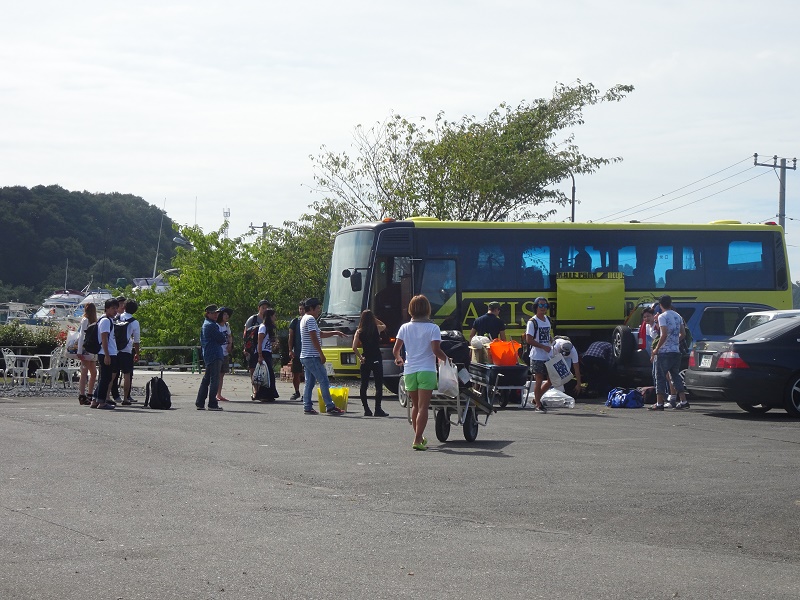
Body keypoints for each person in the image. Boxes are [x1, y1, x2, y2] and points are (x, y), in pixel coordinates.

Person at [393, 295, 449, 451]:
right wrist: (447, 360)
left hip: (409, 370)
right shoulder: (433, 328)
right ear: (427, 309)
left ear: (411, 309)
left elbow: (396, 350)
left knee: (415, 406)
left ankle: (419, 436)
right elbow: (436, 350)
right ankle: (417, 439)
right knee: (424, 407)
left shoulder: (404, 327)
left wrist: (398, 358)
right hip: (427, 370)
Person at [299, 298, 346, 415]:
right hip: (312, 355)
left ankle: (307, 406)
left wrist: (335, 332)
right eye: (318, 308)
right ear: (311, 308)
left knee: (309, 382)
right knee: (324, 380)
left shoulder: (305, 319)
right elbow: (314, 337)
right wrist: (321, 353)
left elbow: (320, 334)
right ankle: (330, 406)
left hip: (306, 355)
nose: (319, 311)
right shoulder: (310, 319)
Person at [649, 295, 690, 411]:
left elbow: (663, 334)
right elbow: (683, 334)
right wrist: (674, 341)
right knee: (675, 376)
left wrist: (656, 348)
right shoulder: (677, 316)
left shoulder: (662, 316)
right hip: (676, 351)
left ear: (660, 305)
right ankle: (683, 401)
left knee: (660, 377)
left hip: (664, 352)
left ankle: (659, 403)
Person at [352, 309, 388, 417]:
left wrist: (360, 357)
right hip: (376, 358)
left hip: (366, 358)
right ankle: (378, 409)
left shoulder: (359, 331)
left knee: (364, 385)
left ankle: (366, 409)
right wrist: (374, 319)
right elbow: (384, 325)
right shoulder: (377, 328)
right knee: (378, 384)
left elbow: (354, 347)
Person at [196, 304, 226, 411]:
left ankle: (200, 402)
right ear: (207, 313)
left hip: (209, 354)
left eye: (216, 313)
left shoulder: (207, 324)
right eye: (213, 313)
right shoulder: (211, 325)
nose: (215, 315)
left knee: (206, 379)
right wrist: (223, 336)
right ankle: (212, 403)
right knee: (214, 380)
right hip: (215, 354)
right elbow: (221, 339)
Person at [524, 296, 551, 412]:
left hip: (548, 355)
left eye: (545, 305)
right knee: (539, 379)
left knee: (551, 379)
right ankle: (538, 405)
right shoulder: (532, 322)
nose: (543, 308)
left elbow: (547, 334)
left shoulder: (547, 319)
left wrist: (551, 341)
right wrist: (543, 346)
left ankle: (536, 399)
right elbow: (529, 340)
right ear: (536, 307)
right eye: (540, 305)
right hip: (537, 355)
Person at [93, 298, 119, 409]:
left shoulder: (105, 320)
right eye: (113, 308)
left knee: (105, 378)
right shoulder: (106, 321)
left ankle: (95, 400)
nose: (115, 311)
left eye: (116, 308)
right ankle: (101, 402)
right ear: (106, 309)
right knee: (106, 378)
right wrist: (107, 355)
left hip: (107, 352)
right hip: (106, 353)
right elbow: (104, 338)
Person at [115, 299, 140, 405]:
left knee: (112, 374)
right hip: (126, 350)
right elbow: (136, 340)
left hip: (114, 349)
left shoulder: (117, 318)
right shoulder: (134, 322)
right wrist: (137, 353)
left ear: (124, 307)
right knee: (127, 374)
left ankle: (107, 397)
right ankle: (125, 398)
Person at [255, 308, 280, 401]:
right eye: (274, 316)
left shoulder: (270, 328)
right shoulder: (263, 327)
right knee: (266, 375)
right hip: (263, 352)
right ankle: (263, 395)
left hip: (268, 352)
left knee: (269, 375)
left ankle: (269, 394)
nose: (275, 318)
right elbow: (259, 342)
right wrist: (260, 355)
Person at [243, 300, 271, 384]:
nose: (265, 310)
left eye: (266, 308)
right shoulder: (253, 319)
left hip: (264, 348)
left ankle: (262, 387)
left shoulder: (269, 320)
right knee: (253, 368)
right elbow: (246, 334)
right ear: (259, 308)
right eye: (263, 308)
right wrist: (245, 348)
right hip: (252, 347)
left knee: (264, 368)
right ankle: (255, 387)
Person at [76, 302, 98, 406]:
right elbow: (82, 335)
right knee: (87, 371)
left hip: (88, 348)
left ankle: (87, 394)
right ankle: (83, 394)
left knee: (91, 372)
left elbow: (81, 335)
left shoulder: (88, 320)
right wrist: (79, 350)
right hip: (88, 348)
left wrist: (79, 350)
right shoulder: (88, 320)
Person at [287, 301, 306, 400]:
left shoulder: (310, 320)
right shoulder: (295, 321)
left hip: (307, 352)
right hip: (297, 352)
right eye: (300, 309)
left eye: (303, 309)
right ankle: (297, 391)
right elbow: (290, 336)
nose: (301, 311)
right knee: (296, 373)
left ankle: (306, 393)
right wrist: (290, 350)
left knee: (307, 374)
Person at [216, 306, 233, 402]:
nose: (226, 316)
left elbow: (230, 336)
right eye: (224, 314)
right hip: (218, 353)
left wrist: (230, 344)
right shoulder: (216, 325)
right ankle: (214, 394)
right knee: (216, 374)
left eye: (227, 314)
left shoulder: (226, 325)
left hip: (225, 352)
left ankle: (219, 394)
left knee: (222, 374)